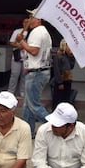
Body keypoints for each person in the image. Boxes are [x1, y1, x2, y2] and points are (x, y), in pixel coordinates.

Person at [19, 8, 52, 136]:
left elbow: (34, 51)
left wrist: (21, 41)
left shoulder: (37, 32)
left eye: (31, 17)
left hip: (36, 72)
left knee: (33, 105)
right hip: (39, 71)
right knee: (27, 105)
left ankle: (56, 126)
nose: (29, 20)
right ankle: (29, 132)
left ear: (38, 19)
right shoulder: (41, 31)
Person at [7, 17, 29, 97]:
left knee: (24, 76)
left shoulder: (32, 32)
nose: (26, 24)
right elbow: (11, 42)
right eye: (25, 22)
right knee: (14, 74)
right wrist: (18, 45)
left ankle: (22, 91)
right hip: (16, 57)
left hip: (27, 58)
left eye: (28, 22)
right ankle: (10, 92)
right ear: (22, 23)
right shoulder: (17, 31)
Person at [52, 39, 75, 109]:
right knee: (58, 99)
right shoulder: (58, 56)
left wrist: (71, 57)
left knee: (66, 99)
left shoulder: (68, 56)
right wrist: (59, 83)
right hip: (61, 80)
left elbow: (71, 66)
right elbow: (56, 70)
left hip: (67, 79)